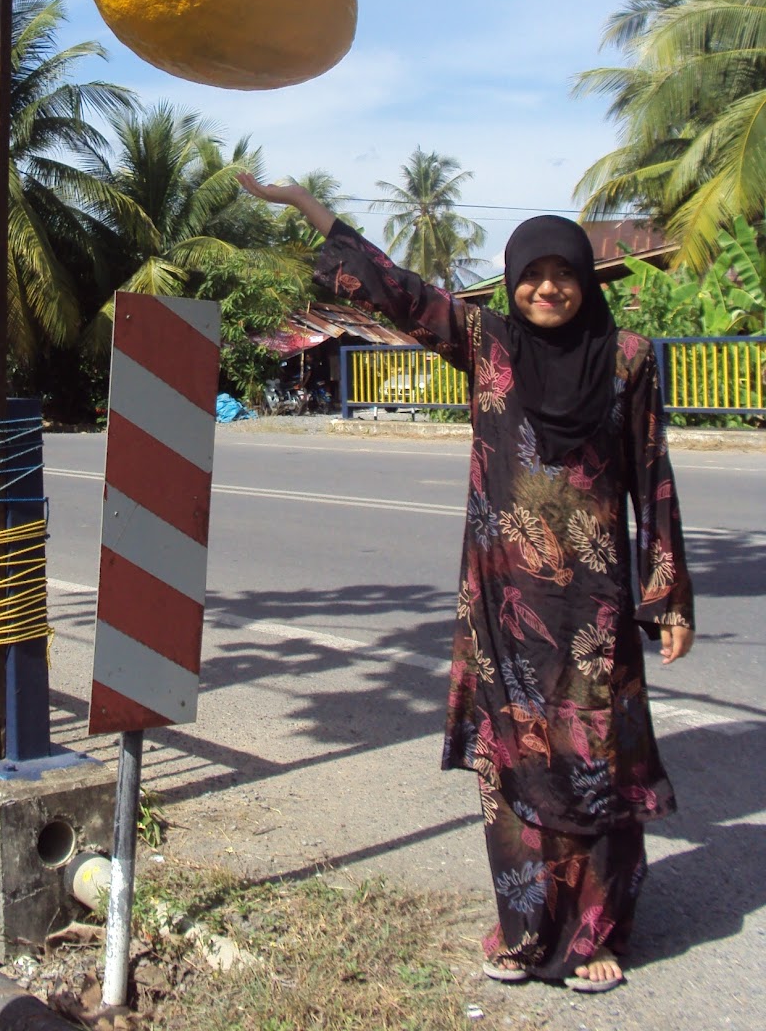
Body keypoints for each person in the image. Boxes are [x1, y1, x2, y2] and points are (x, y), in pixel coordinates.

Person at [238, 174, 695, 993]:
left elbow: (651, 478)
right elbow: (398, 292)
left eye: (563, 274)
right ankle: (524, 930)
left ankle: (592, 936)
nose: (547, 288)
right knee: (512, 766)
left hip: (594, 609)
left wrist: (667, 595)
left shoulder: (626, 361)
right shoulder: (487, 342)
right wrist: (312, 211)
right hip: (502, 604)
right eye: (532, 273)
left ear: (585, 282)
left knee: (592, 765)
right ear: (513, 278)